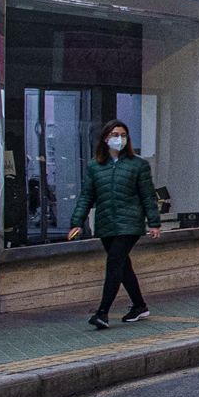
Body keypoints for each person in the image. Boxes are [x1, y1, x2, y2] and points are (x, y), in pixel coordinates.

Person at [67, 120, 161, 330]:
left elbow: (147, 196)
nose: (119, 138)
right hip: (106, 223)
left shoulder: (138, 165)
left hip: (130, 224)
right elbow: (87, 196)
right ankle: (139, 305)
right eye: (114, 134)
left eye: (123, 135)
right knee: (122, 266)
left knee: (114, 264)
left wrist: (154, 223)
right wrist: (77, 222)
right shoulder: (95, 166)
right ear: (105, 138)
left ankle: (102, 313)